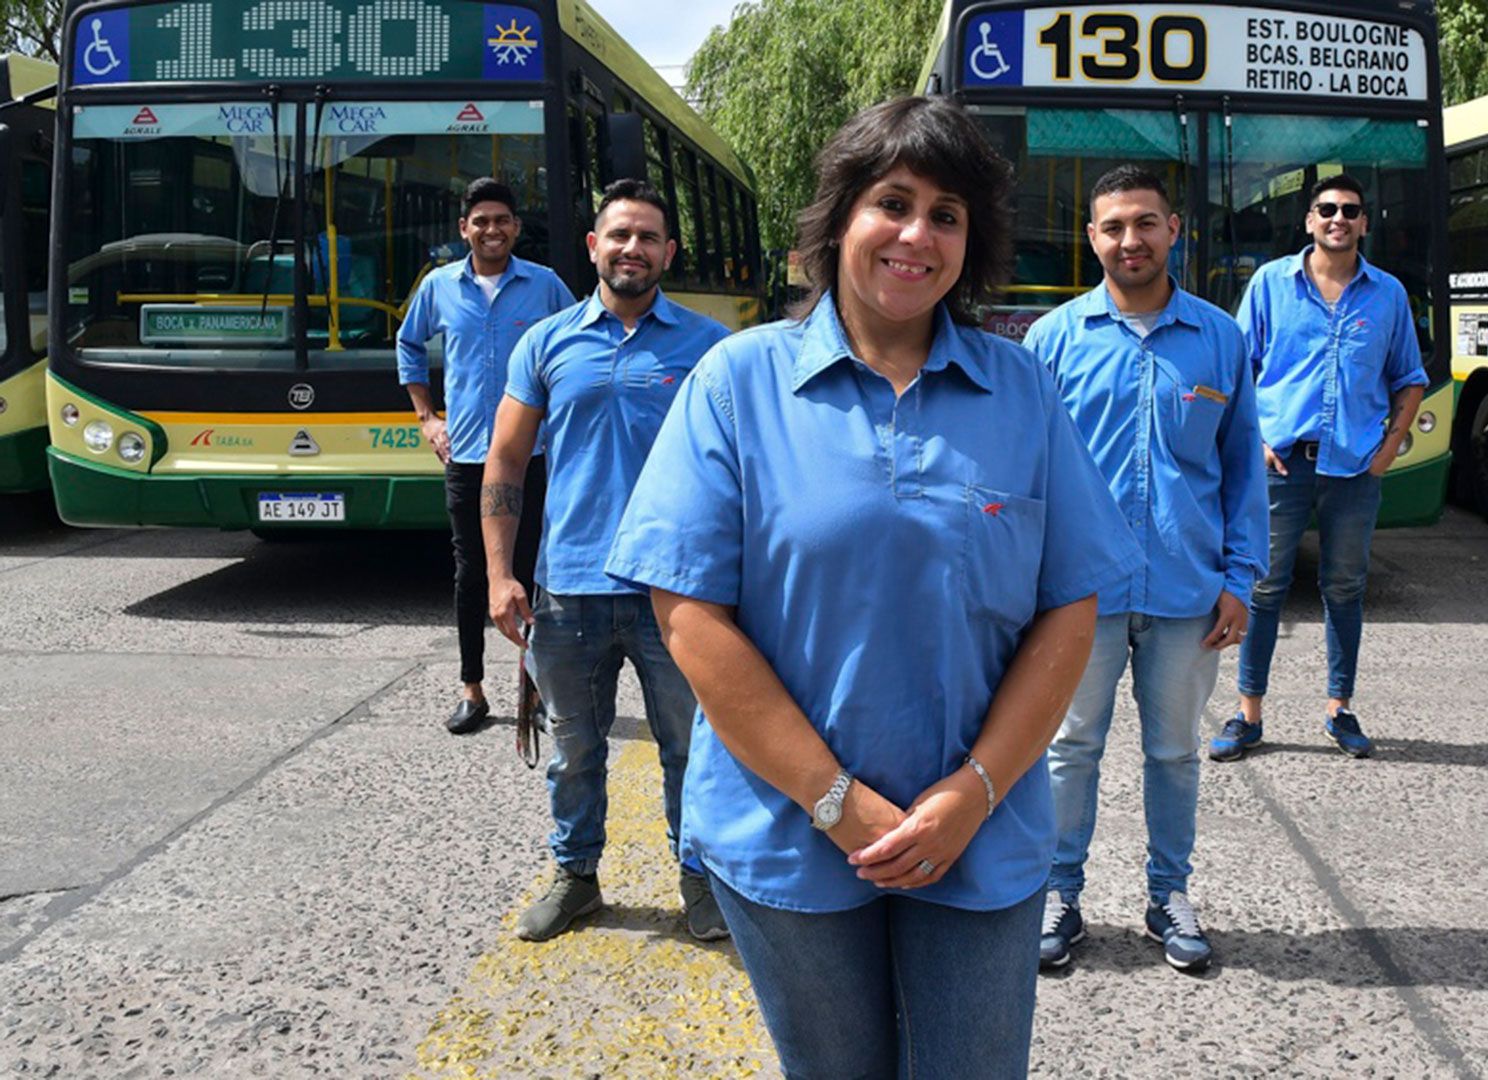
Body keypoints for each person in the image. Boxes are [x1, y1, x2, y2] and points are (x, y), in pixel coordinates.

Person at [605, 98, 1143, 1078]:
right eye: (892, 203)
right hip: (789, 833)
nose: (916, 234)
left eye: (947, 214)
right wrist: (835, 800)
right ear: (838, 219)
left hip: (978, 836)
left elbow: (1072, 601)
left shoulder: (1020, 391)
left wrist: (976, 792)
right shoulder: (739, 383)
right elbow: (687, 611)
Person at [1023, 165, 1266, 972]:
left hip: (1184, 593)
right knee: (1069, 747)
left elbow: (1241, 472)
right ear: (1092, 237)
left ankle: (1169, 894)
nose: (1131, 240)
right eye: (1114, 226)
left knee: (1172, 753)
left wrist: (1241, 579)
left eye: (1146, 223)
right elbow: (1028, 473)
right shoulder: (1053, 342)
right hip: (1076, 597)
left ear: (1174, 231)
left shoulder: (1220, 339)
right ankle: (1060, 892)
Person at [479, 179, 731, 943]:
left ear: (669, 253)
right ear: (594, 246)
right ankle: (576, 876)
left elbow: (739, 467)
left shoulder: (708, 346)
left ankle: (700, 880)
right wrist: (498, 574)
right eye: (619, 235)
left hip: (675, 591)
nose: (632, 248)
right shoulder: (547, 342)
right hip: (568, 588)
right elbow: (505, 461)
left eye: (648, 237)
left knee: (689, 749)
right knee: (573, 750)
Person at [1209, 174, 1428, 763]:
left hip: (1354, 469)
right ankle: (1247, 713)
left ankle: (1339, 708)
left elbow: (1409, 377)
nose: (1338, 218)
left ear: (1364, 223)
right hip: (1279, 465)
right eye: (1327, 209)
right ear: (1309, 220)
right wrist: (1252, 446)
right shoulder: (1270, 285)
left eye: (1350, 211)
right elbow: (1236, 369)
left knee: (1345, 589)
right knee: (1264, 589)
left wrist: (1389, 448)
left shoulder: (1388, 296)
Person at [396, 178, 572, 735]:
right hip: (469, 455)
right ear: (463, 228)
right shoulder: (439, 288)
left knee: (534, 572)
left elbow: (579, 341)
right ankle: (472, 688)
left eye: (502, 220)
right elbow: (407, 343)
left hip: (534, 453)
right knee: (472, 573)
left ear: (516, 228)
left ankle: (538, 688)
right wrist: (427, 416)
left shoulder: (545, 287)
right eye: (481, 221)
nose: (491, 230)